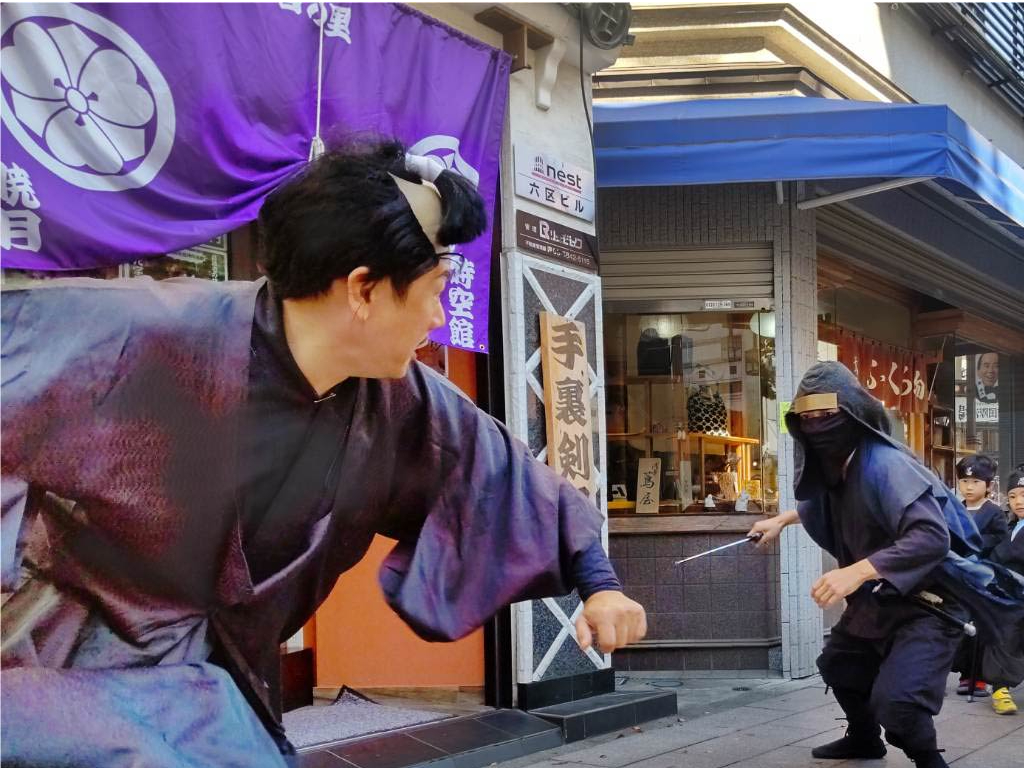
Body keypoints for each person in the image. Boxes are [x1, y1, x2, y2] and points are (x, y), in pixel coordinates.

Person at [0, 140, 646, 767]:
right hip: (71, 667)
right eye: (435, 289)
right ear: (363, 290)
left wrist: (601, 587)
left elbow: (504, 477)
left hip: (214, 686)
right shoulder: (152, 332)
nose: (437, 317)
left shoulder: (398, 398)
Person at [748, 361, 983, 768]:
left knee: (900, 703)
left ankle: (930, 761)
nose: (817, 425)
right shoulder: (840, 465)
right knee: (840, 664)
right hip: (879, 600)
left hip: (928, 604)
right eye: (807, 417)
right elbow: (840, 505)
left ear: (853, 411)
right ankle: (863, 738)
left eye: (827, 414)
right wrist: (782, 520)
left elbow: (930, 536)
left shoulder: (885, 464)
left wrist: (855, 572)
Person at [950, 454, 1008, 697]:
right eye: (964, 481)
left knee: (982, 626)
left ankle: (981, 677)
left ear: (988, 485)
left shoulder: (994, 512)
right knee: (960, 625)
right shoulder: (954, 509)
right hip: (958, 575)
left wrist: (976, 547)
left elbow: (1000, 539)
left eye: (975, 482)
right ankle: (965, 674)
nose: (969, 487)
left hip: (983, 575)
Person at [980, 469, 1024, 715]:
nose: (1019, 501)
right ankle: (999, 689)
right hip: (1008, 597)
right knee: (1003, 637)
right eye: (1013, 496)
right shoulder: (1011, 527)